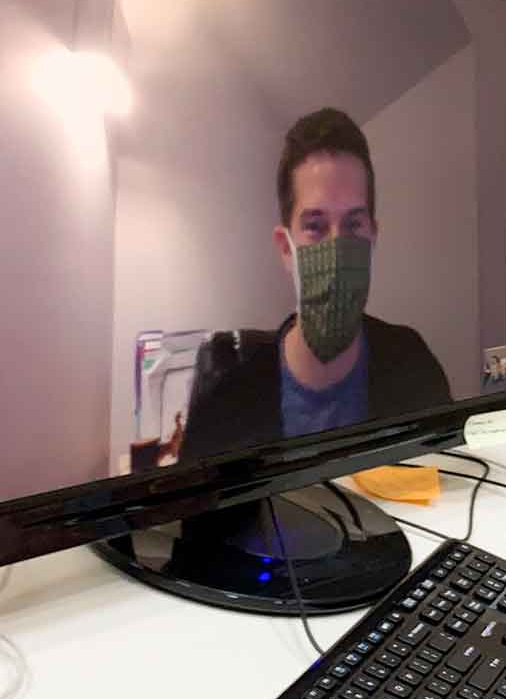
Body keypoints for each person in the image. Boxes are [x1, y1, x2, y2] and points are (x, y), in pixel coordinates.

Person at [180, 108, 450, 462]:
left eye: (353, 225)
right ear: (285, 248)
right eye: (315, 226)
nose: (337, 248)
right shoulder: (224, 404)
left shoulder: (415, 366)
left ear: (373, 236)